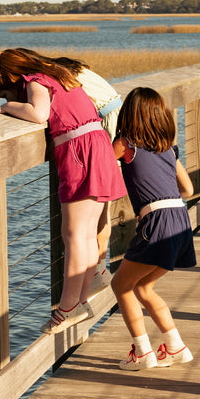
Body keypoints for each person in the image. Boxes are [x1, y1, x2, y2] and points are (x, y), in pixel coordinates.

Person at [0, 48, 127, 335]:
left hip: (78, 151)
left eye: (5, 93)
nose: (9, 98)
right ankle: (80, 301)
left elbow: (39, 114)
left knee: (74, 236)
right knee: (85, 235)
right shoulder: (60, 76)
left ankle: (66, 308)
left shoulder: (35, 80)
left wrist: (7, 109)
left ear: (13, 77)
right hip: (97, 145)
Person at [111, 87, 197, 370]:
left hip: (156, 223)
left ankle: (143, 351)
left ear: (129, 114)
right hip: (181, 221)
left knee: (120, 285)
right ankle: (175, 348)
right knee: (145, 288)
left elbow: (102, 167)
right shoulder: (168, 149)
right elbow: (188, 188)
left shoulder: (125, 144)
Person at [52, 55, 123, 297]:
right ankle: (98, 270)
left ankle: (98, 270)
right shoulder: (76, 71)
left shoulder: (59, 77)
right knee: (103, 203)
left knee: (101, 204)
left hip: (105, 124)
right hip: (114, 115)